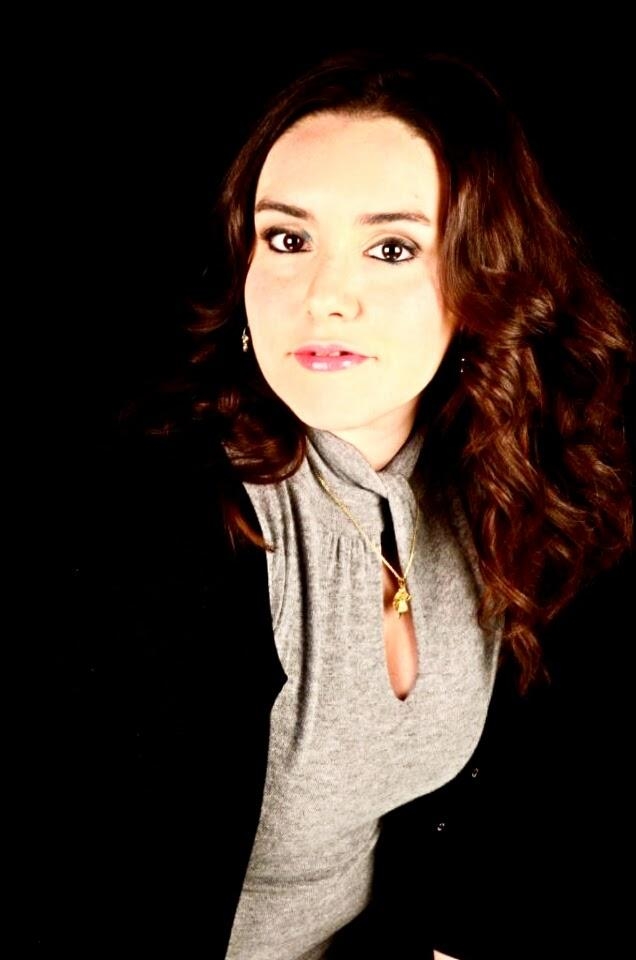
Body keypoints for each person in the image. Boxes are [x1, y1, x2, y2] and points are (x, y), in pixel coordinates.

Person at [31, 50, 632, 958]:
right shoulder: (150, 519)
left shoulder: (493, 480)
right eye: (287, 239)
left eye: (390, 249)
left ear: (481, 279)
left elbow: (492, 824)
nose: (324, 298)